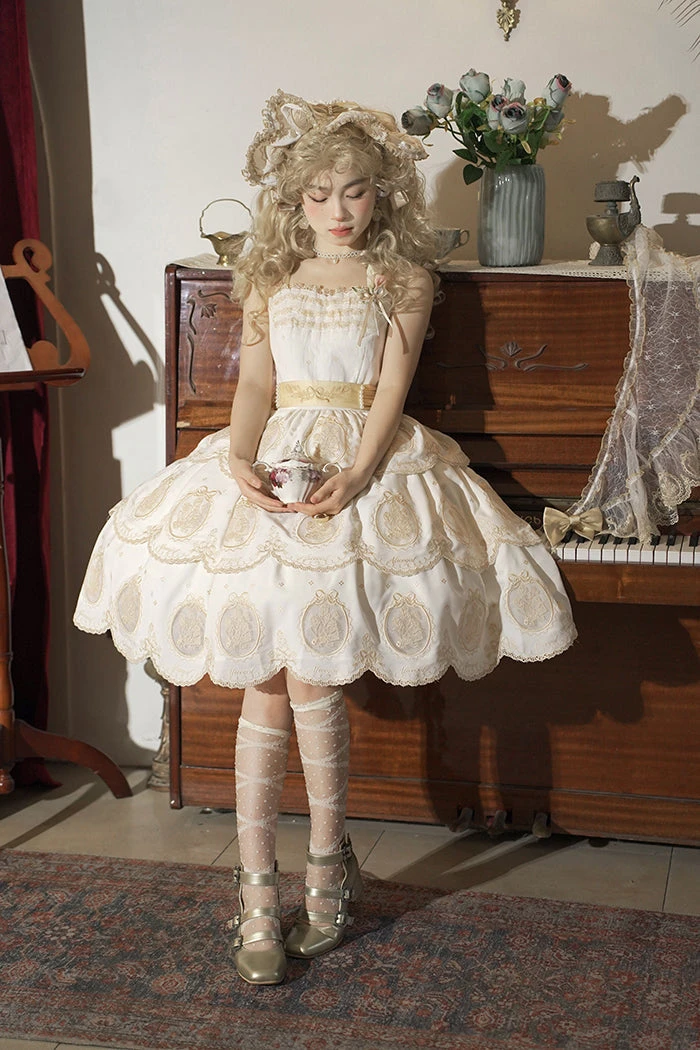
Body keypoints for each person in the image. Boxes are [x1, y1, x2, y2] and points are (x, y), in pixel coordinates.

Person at [74, 89, 577, 986]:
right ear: (293, 199)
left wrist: (358, 472)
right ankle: (256, 892)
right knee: (265, 677)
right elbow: (254, 388)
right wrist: (238, 459)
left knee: (312, 673)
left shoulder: (402, 278)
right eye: (318, 195)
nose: (337, 211)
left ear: (380, 192)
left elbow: (391, 390)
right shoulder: (271, 277)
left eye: (354, 191)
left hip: (361, 464)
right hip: (278, 463)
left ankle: (325, 874)